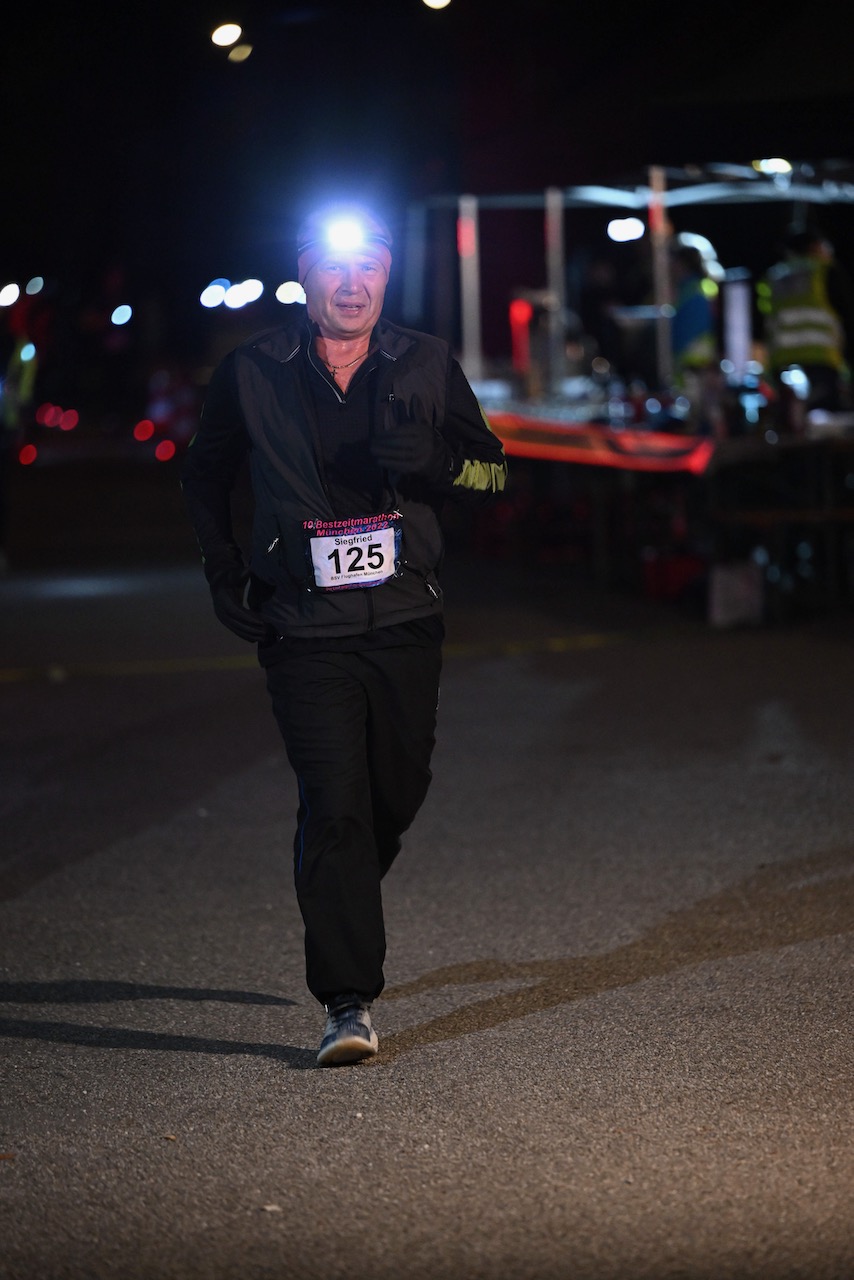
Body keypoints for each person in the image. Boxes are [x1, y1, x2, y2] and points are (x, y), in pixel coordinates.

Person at [181, 201, 508, 1066]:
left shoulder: (426, 361)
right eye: (335, 266)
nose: (352, 282)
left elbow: (495, 469)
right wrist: (224, 574)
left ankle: (342, 890)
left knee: (392, 794)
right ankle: (347, 1001)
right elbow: (204, 475)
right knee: (334, 806)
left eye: (368, 265)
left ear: (387, 273)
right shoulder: (252, 369)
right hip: (302, 626)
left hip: (405, 617)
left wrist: (434, 464)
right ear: (305, 272)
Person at [761, 225, 852, 430]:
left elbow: (765, 323)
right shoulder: (826, 272)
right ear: (815, 247)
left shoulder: (774, 278)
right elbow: (847, 315)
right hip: (820, 361)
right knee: (825, 425)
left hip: (781, 366)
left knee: (789, 426)